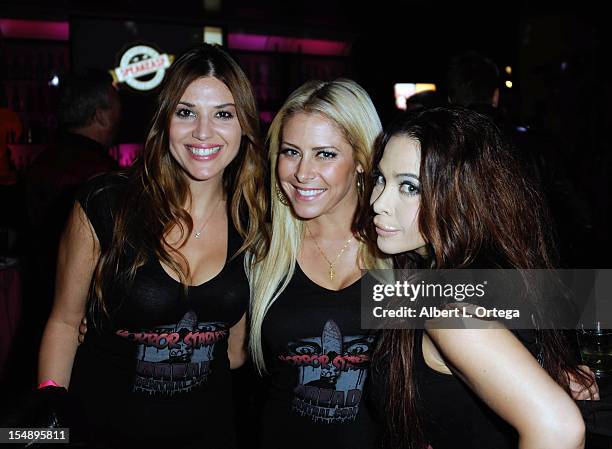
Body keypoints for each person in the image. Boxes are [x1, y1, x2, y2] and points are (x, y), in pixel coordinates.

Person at [36, 43, 269, 448]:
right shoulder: (108, 203)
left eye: (223, 114)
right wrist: (50, 420)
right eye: (186, 112)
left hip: (208, 433)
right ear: (165, 121)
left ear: (245, 125)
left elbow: (235, 353)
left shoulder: (255, 223)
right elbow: (63, 323)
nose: (203, 131)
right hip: (103, 431)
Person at [364, 106, 592, 449]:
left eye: (409, 187)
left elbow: (559, 429)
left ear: (462, 195)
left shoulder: (451, 312)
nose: (378, 201)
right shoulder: (493, 275)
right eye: (380, 178)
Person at [247, 79, 389, 448]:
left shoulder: (399, 253)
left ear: (361, 161)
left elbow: (530, 302)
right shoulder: (261, 253)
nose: (302, 173)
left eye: (325, 154)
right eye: (291, 152)